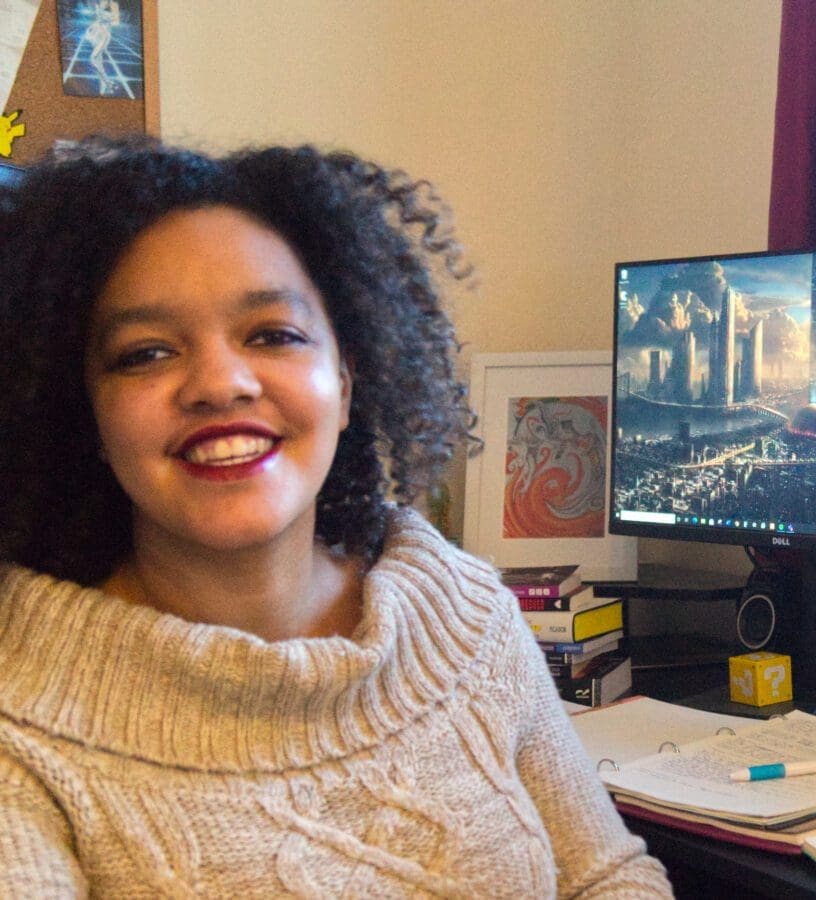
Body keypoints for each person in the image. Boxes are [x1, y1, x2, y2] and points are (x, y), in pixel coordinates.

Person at [0, 135, 672, 897]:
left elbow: (609, 875)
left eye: (273, 335)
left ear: (346, 384)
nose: (220, 384)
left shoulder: (463, 610)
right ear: (85, 412)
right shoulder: (21, 717)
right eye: (145, 353)